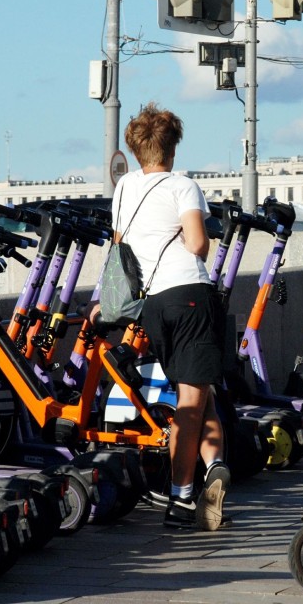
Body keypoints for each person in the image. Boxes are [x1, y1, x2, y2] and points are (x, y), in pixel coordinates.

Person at [108, 103, 231, 530]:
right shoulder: (183, 185)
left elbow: (121, 244)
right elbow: (198, 244)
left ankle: (214, 464)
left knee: (198, 390)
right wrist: (188, 234)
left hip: (153, 305)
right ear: (172, 148)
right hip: (190, 296)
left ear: (137, 149)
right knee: (191, 404)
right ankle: (181, 499)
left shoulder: (123, 188)